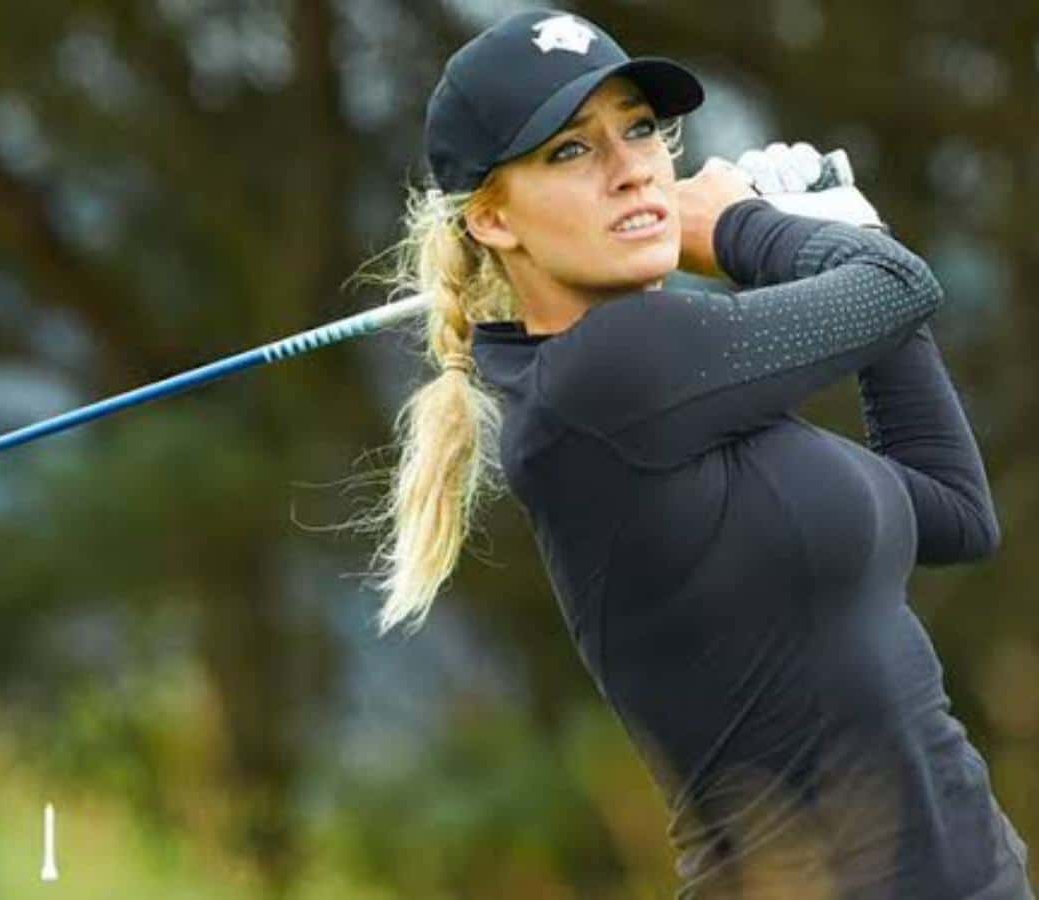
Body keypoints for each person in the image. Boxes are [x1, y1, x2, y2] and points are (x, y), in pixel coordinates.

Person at [367, 9, 1032, 898]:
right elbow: (900, 285)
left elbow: (956, 513)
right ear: (491, 219)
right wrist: (751, 228)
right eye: (572, 150)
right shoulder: (607, 373)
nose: (630, 168)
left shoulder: (668, 391)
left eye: (640, 129)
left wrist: (845, 231)